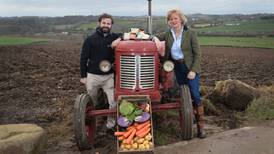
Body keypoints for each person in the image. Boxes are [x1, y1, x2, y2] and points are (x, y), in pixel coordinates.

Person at [154, 9, 206, 138]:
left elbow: (198, 54)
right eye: (171, 19)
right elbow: (153, 36)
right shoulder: (168, 34)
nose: (173, 21)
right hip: (176, 67)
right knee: (183, 94)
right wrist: (143, 36)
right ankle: (189, 118)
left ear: (181, 19)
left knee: (194, 93)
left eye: (175, 18)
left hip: (189, 67)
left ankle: (201, 127)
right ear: (168, 22)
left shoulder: (190, 33)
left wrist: (193, 70)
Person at [80, 13, 121, 133]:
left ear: (111, 25)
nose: (106, 25)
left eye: (108, 23)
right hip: (93, 75)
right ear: (99, 23)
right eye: (104, 23)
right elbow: (83, 58)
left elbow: (126, 34)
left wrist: (118, 39)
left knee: (113, 102)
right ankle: (90, 121)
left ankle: (110, 124)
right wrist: (83, 76)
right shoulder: (90, 39)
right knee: (91, 101)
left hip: (109, 77)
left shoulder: (114, 37)